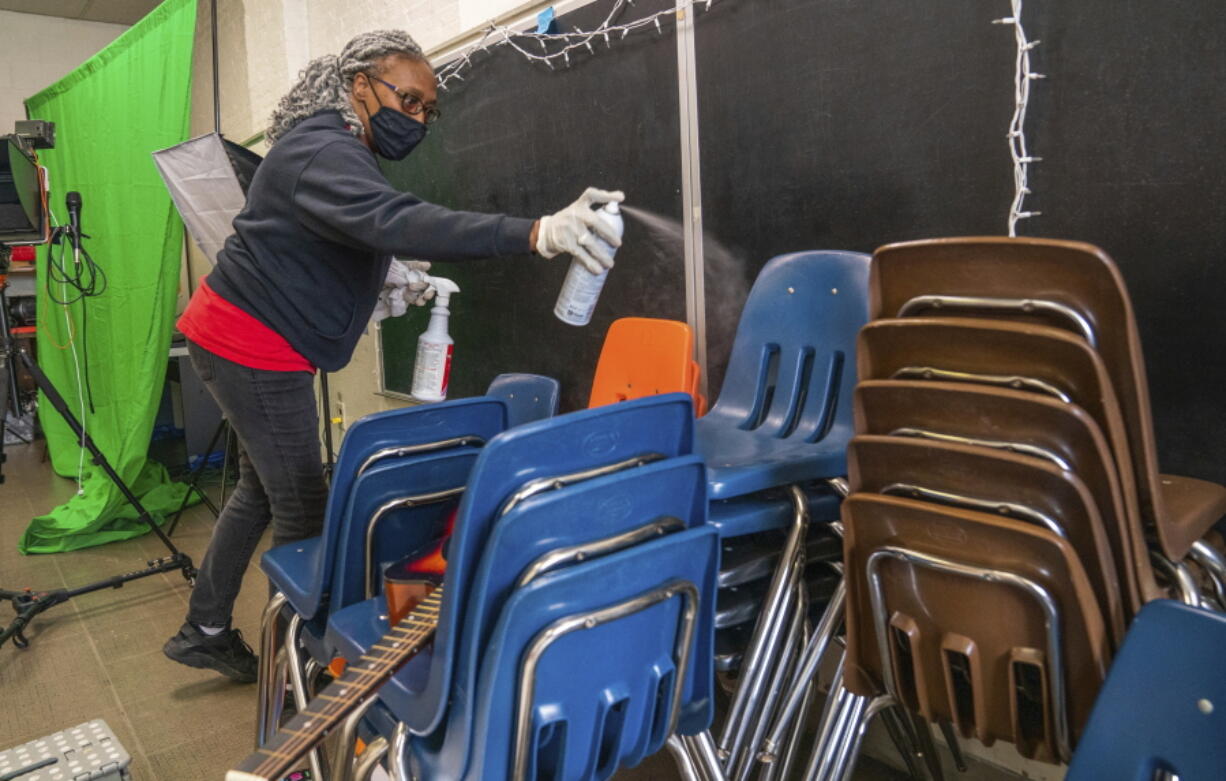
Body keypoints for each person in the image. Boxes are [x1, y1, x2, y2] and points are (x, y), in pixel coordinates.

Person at [162, 29, 623, 681]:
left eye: (427, 110)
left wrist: (381, 276)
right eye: (407, 100)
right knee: (301, 504)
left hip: (234, 334)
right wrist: (537, 232)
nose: (417, 119)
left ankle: (205, 626)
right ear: (359, 84)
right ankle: (299, 665)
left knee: (257, 492)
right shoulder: (323, 148)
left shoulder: (331, 147)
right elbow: (397, 218)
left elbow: (338, 237)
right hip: (254, 345)